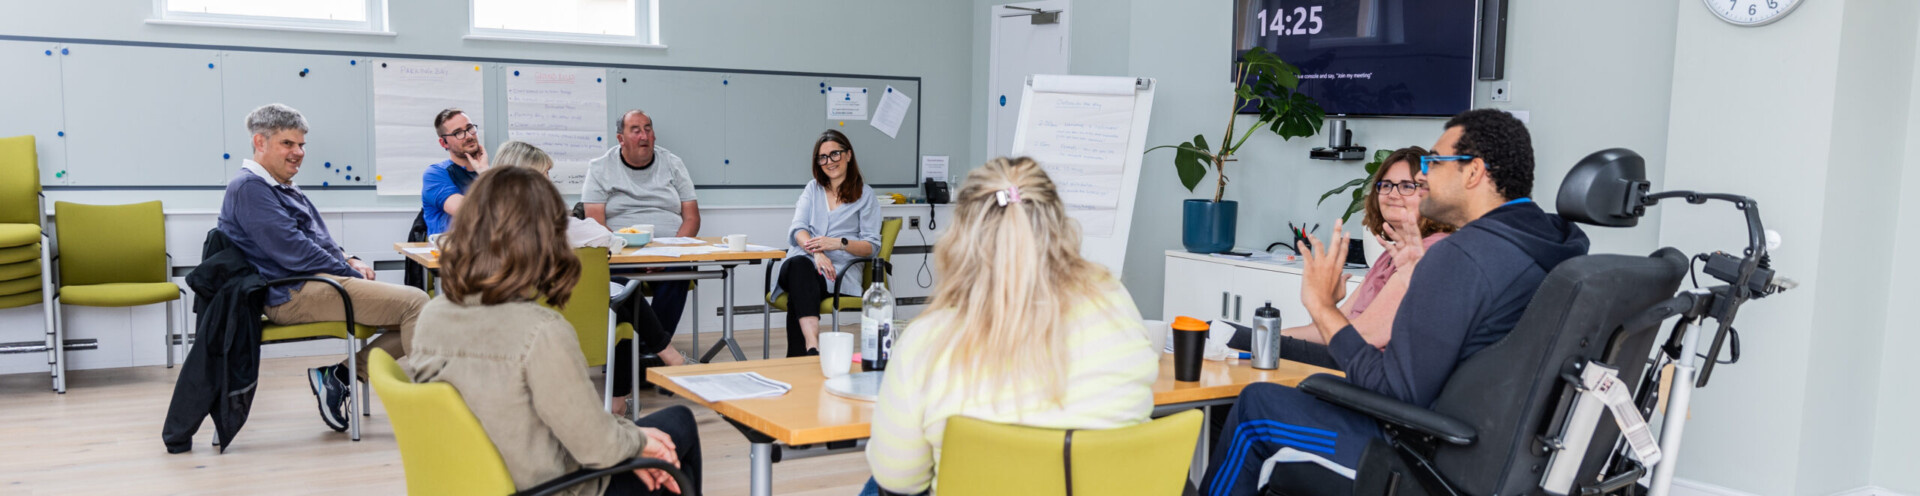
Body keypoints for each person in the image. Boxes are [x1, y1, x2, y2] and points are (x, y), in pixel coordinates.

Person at [1201, 109, 1590, 495]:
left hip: (1419, 461)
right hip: (1491, 457)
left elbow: (1393, 392)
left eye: (1434, 162)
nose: (1423, 175)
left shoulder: (1465, 256)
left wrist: (1322, 306)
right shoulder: (1551, 244)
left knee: (1257, 407)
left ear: (1474, 172)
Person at [865, 157, 1159, 496]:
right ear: (1059, 227)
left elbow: (898, 479)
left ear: (960, 237)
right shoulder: (1114, 301)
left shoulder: (926, 342)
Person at [410, 165, 702, 496]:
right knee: (678, 426)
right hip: (550, 487)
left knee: (653, 444)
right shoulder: (540, 331)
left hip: (471, 482)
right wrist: (640, 441)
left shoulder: (431, 316)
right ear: (545, 239)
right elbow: (597, 449)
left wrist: (635, 439)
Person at [216, 103, 430, 432]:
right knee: (418, 304)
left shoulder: (279, 184)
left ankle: (339, 377)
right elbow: (296, 253)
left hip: (314, 281)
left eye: (301, 145)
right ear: (260, 143)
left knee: (421, 312)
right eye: (288, 144)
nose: (298, 152)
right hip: (290, 292)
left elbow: (315, 238)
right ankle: (430, 409)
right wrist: (348, 272)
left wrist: (347, 258)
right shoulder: (250, 188)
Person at [493, 140, 690, 416]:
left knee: (620, 289)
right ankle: (645, 378)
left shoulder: (488, 227)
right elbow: (603, 237)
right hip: (567, 323)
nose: (550, 182)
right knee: (621, 298)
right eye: (545, 175)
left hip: (517, 327)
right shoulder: (557, 226)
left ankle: (666, 359)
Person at [1268, 146, 1455, 368]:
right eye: (1386, 185)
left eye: (1407, 186)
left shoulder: (1431, 251)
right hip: (1350, 355)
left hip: (1370, 371)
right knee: (1242, 339)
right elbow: (1338, 326)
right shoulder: (1389, 255)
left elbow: (1363, 336)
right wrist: (1268, 336)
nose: (1393, 194)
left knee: (1244, 346)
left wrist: (1320, 304)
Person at [582, 110, 701, 343]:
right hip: (619, 253)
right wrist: (635, 257)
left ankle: (649, 351)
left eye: (648, 129)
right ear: (621, 138)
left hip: (669, 251)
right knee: (610, 281)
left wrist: (666, 254)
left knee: (679, 271)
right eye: (635, 130)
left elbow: (692, 218)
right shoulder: (600, 167)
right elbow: (595, 222)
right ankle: (633, 349)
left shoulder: (673, 163)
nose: (644, 135)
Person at [772, 130, 883, 357]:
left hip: (837, 275)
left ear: (848, 155)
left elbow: (872, 246)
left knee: (799, 291)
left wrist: (838, 243)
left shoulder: (866, 196)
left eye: (835, 154)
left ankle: (804, 352)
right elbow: (798, 229)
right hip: (802, 262)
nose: (829, 162)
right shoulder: (812, 189)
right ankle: (813, 344)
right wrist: (816, 253)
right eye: (822, 157)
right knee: (800, 268)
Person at [421, 108, 489, 236]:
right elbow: (468, 211)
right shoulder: (435, 174)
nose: (469, 136)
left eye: (470, 128)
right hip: (451, 253)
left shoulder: (488, 174)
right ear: (444, 143)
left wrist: (484, 172)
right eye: (458, 133)